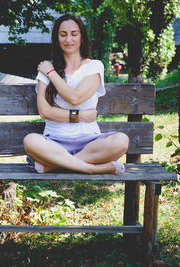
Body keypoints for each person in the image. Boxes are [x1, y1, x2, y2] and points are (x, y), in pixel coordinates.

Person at [23, 14, 129, 174]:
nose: (68, 39)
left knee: (121, 141)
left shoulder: (94, 66)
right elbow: (45, 112)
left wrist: (51, 73)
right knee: (30, 141)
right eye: (63, 34)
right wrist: (80, 116)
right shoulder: (46, 68)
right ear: (56, 38)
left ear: (82, 37)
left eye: (74, 34)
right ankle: (91, 169)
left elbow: (75, 97)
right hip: (54, 142)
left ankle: (53, 165)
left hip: (90, 142)